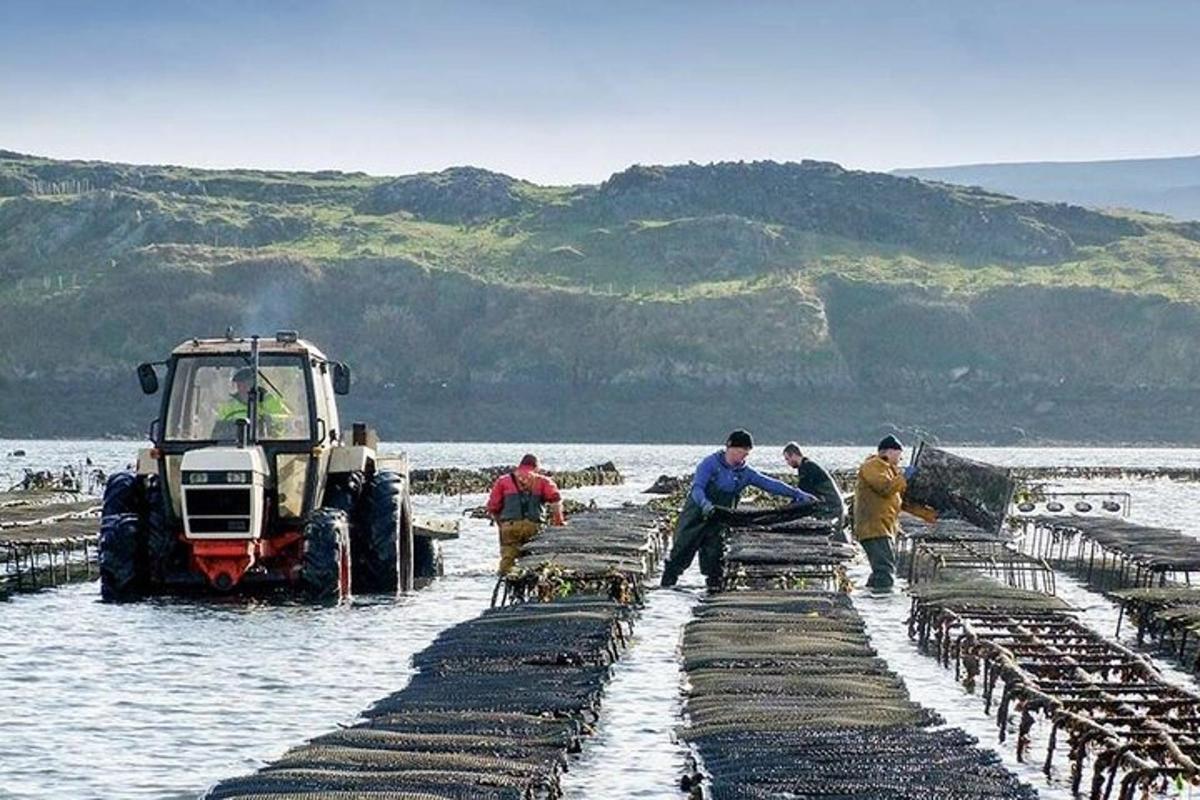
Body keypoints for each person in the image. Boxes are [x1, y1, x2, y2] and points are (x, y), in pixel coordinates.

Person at [661, 429, 818, 590]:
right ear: (731, 448)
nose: (745, 457)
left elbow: (771, 484)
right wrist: (705, 504)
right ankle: (665, 590)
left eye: (747, 454)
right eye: (743, 453)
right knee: (678, 558)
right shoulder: (709, 464)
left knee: (714, 565)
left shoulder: (745, 473)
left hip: (718, 522)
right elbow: (697, 489)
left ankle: (711, 597)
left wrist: (798, 494)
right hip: (695, 519)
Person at [853, 434, 917, 590]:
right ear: (888, 452)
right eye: (899, 454)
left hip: (883, 528)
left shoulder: (888, 470)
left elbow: (898, 500)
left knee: (882, 568)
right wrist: (904, 477)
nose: (900, 459)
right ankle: (881, 604)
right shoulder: (873, 465)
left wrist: (930, 515)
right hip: (874, 528)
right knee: (885, 570)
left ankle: (869, 597)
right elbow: (885, 488)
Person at [486, 454, 565, 574]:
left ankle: (505, 579)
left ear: (520, 465)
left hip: (509, 526)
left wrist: (501, 525)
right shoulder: (543, 481)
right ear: (536, 467)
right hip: (534, 526)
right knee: (535, 558)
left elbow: (493, 507)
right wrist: (559, 521)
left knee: (508, 559)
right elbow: (556, 501)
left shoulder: (503, 481)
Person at [782, 442, 845, 526]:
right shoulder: (806, 465)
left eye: (787, 459)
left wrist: (787, 508)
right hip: (832, 505)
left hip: (831, 508)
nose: (787, 462)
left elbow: (803, 493)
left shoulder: (807, 467)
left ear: (793, 455)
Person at [215, 366, 288, 437]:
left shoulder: (270, 401)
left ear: (254, 384)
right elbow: (218, 428)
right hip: (234, 445)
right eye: (240, 385)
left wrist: (269, 419)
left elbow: (287, 421)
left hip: (268, 444)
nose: (243, 388)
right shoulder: (229, 406)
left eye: (247, 384)